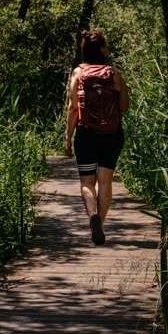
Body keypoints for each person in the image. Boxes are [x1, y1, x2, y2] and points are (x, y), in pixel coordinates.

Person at [63, 29, 129, 245]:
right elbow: (124, 106)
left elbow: (73, 107)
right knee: (105, 181)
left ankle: (92, 217)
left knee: (87, 182)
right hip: (112, 134)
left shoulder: (78, 73)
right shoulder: (114, 73)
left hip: (86, 134)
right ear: (102, 49)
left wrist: (67, 136)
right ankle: (100, 223)